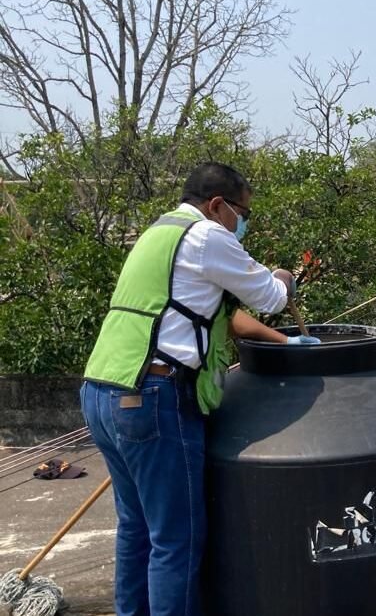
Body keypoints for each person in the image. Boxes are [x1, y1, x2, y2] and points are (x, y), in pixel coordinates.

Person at [80, 161, 319, 616]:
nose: (242, 223)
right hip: (153, 396)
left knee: (137, 527)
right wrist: (285, 276)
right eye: (242, 212)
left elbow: (226, 316)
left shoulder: (160, 233)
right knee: (177, 539)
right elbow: (269, 297)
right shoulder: (208, 236)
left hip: (103, 389)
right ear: (217, 205)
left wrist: (286, 341)